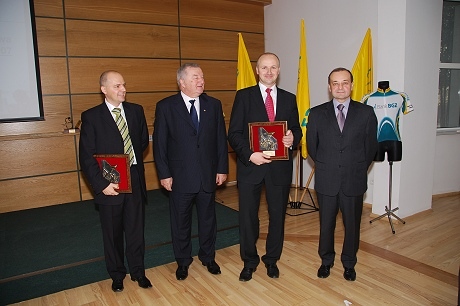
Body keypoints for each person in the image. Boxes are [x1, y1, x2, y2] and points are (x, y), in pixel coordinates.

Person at [228, 52, 302, 282]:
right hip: (251, 167)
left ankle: (272, 260)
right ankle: (249, 261)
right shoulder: (244, 96)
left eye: (273, 67)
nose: (269, 72)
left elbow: (297, 130)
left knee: (277, 215)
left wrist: (292, 139)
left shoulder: (289, 99)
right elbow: (234, 134)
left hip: (279, 168)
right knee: (248, 217)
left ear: (279, 71)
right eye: (264, 67)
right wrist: (251, 155)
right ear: (257, 71)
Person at [153, 63, 228, 281]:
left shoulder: (213, 105)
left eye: (202, 77)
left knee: (208, 220)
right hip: (179, 177)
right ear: (182, 82)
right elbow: (160, 144)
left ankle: (208, 257)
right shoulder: (166, 106)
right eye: (195, 77)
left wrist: (222, 168)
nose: (201, 81)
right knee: (180, 222)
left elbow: (220, 141)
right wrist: (164, 174)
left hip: (207, 175)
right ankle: (183, 261)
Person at [79, 70, 152, 292]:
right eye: (117, 86)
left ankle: (138, 271)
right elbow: (86, 156)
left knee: (135, 230)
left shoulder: (136, 111)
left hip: (135, 182)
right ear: (104, 90)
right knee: (112, 233)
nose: (123, 90)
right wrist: (102, 185)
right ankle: (117, 274)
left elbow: (141, 142)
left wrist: (127, 166)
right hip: (109, 185)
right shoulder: (91, 117)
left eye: (123, 85)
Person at [307, 67, 378, 281]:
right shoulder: (317, 113)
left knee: (352, 225)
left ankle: (349, 263)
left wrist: (355, 167)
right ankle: (326, 261)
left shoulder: (366, 113)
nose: (340, 87)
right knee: (326, 224)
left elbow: (370, 148)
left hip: (353, 179)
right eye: (335, 83)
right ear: (329, 87)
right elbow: (312, 147)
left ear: (352, 85)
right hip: (327, 179)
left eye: (344, 82)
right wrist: (328, 165)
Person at [362, 80, 413, 162]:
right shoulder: (367, 98)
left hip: (395, 140)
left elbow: (406, 110)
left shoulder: (401, 96)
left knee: (395, 160)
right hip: (376, 141)